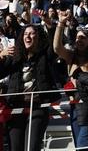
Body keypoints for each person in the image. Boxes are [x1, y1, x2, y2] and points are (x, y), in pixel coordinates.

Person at [0, 23, 61, 151]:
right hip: (16, 108)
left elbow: (55, 46)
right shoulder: (14, 56)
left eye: (32, 33)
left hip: (37, 107)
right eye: (25, 34)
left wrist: (53, 26)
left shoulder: (46, 55)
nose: (28, 36)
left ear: (38, 38)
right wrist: (1, 55)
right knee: (15, 147)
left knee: (32, 147)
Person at [54, 11, 88, 150]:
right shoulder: (71, 56)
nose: (79, 40)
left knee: (83, 139)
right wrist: (60, 23)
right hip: (75, 105)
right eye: (77, 38)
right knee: (80, 141)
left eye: (83, 38)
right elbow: (56, 48)